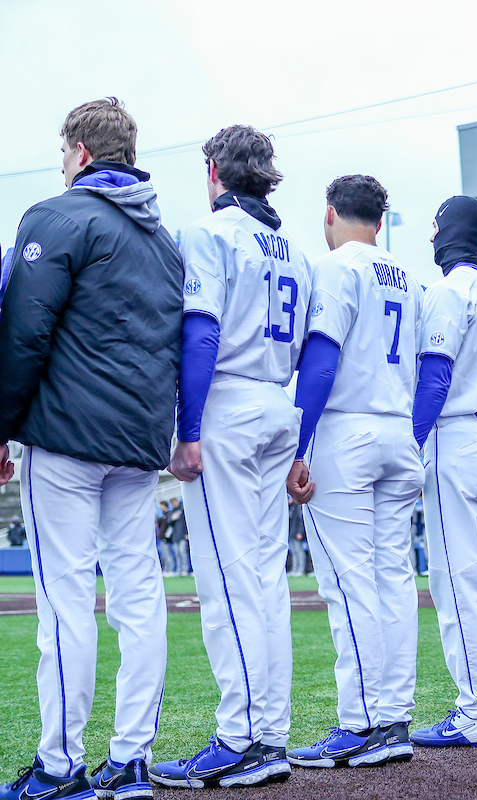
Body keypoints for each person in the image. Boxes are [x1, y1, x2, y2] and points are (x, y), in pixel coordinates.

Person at [0, 97, 182, 800]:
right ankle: (131, 759)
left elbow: (25, 332)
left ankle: (60, 766)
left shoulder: (57, 216)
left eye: (62, 151)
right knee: (138, 596)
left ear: (79, 152)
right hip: (138, 440)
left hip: (66, 436)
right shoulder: (165, 241)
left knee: (65, 600)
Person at [150, 125, 311, 789]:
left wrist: (187, 428)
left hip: (229, 406)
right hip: (277, 402)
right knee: (266, 583)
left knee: (226, 582)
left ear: (214, 170)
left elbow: (201, 331)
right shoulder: (296, 251)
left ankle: (242, 738)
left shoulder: (209, 232)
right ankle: (268, 735)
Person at [283, 175, 422, 767]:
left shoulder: (334, 267)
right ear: (381, 221)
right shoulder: (409, 275)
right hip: (398, 429)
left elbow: (321, 360)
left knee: (349, 582)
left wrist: (297, 444)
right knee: (394, 579)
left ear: (331, 213)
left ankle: (361, 722)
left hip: (347, 429)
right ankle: (393, 718)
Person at [409, 196, 477, 747]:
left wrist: (411, 442)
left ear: (449, 230)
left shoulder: (449, 290)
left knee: (455, 580)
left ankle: (475, 708)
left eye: (434, 226)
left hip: (456, 435)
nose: (430, 237)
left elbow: (434, 376)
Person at [169, 497, 190, 576]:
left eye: (174, 502)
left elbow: (187, 522)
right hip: (175, 536)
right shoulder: (172, 512)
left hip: (183, 536)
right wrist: (172, 518)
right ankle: (179, 570)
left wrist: (187, 533)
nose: (174, 505)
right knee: (177, 554)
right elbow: (168, 522)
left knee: (183, 553)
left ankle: (185, 570)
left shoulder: (183, 509)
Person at [286, 498, 306, 577]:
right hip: (291, 533)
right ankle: (294, 569)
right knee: (294, 552)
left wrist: (300, 532)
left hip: (296, 533)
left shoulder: (297, 506)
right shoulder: (290, 507)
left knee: (299, 551)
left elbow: (301, 520)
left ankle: (301, 570)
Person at [156, 501, 175, 575]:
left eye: (161, 506)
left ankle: (171, 570)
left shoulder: (169, 514)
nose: (160, 508)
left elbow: (170, 527)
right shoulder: (163, 515)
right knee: (164, 555)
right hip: (161, 538)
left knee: (168, 555)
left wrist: (167, 536)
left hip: (166, 539)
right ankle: (166, 570)